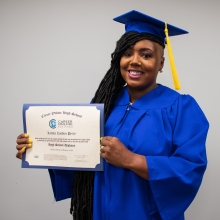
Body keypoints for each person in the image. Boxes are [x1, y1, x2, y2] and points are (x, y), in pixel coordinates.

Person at [16, 10, 209, 220]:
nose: (134, 61)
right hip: (98, 212)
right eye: (127, 53)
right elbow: (79, 158)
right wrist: (41, 147)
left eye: (146, 55)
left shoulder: (181, 108)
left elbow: (190, 169)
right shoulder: (102, 105)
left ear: (161, 63)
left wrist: (130, 160)